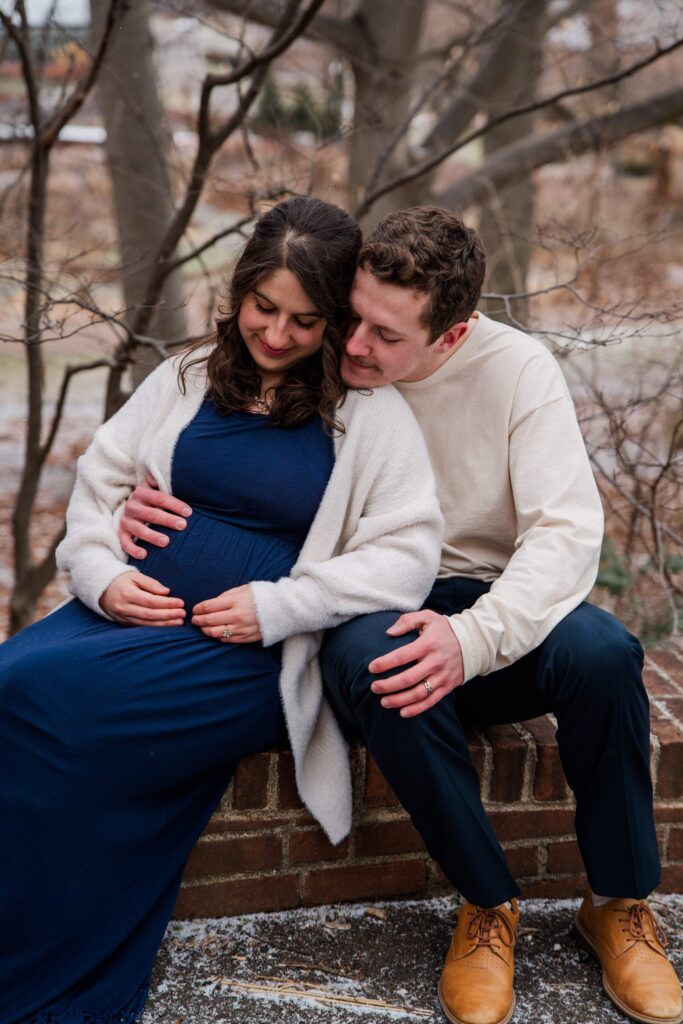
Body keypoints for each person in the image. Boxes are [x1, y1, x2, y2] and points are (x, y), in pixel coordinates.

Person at [122, 206, 683, 1024]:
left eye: (387, 337)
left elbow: (564, 535)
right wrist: (133, 508)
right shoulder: (318, 360)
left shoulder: (516, 371)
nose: (354, 348)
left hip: (489, 602)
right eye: (352, 318)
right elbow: (207, 447)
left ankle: (619, 903)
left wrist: (471, 638)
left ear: (450, 338)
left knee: (602, 652)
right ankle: (487, 904)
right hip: (367, 601)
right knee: (379, 664)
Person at [0, 196, 444, 1024]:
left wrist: (282, 606)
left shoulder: (366, 416)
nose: (275, 335)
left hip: (248, 655)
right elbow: (97, 489)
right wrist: (100, 574)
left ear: (336, 317)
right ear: (239, 290)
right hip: (123, 615)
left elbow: (406, 559)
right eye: (262, 307)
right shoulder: (186, 376)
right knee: (8, 685)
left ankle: (46, 984)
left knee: (43, 706)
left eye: (305, 321)